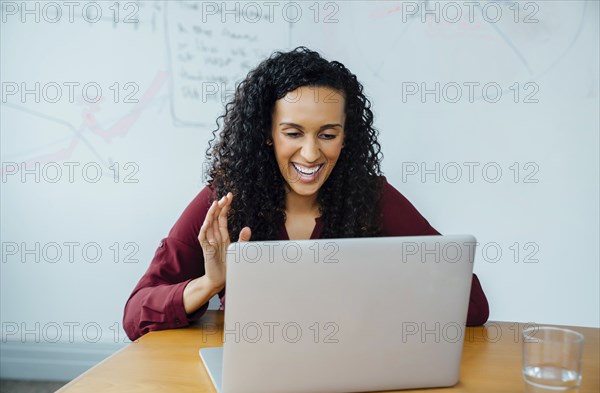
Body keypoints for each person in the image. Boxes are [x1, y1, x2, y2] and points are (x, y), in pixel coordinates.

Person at [123, 47, 489, 341]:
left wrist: (381, 286)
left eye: (328, 135)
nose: (312, 154)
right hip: (257, 374)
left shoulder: (373, 197)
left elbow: (472, 305)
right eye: (293, 133)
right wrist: (211, 282)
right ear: (267, 133)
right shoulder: (222, 205)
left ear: (346, 138)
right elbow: (136, 314)